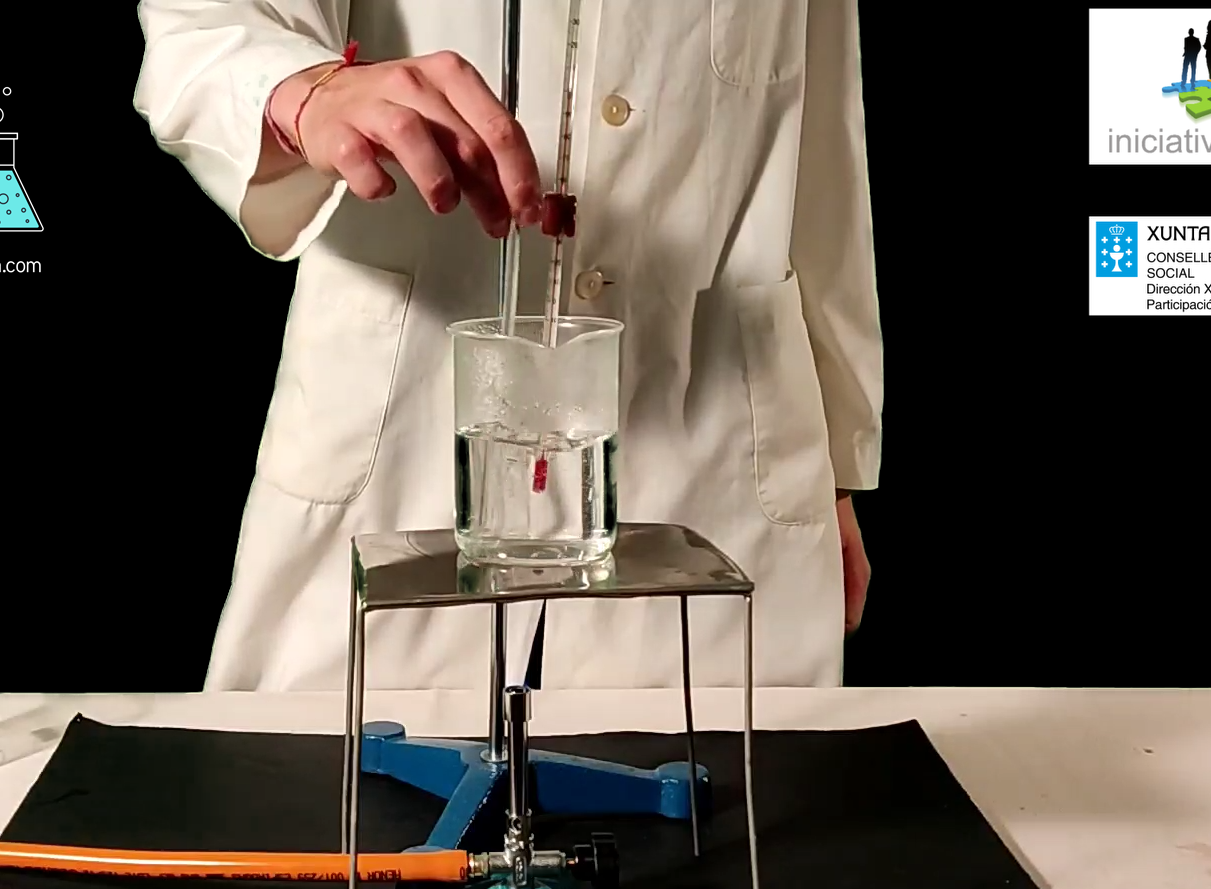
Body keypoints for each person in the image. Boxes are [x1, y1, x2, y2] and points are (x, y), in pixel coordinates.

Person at [134, 0, 882, 693]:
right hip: (404, 441)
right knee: (332, 782)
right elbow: (205, 27)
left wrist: (837, 471)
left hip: (718, 461)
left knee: (727, 781)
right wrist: (306, 93)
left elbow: (824, 155)